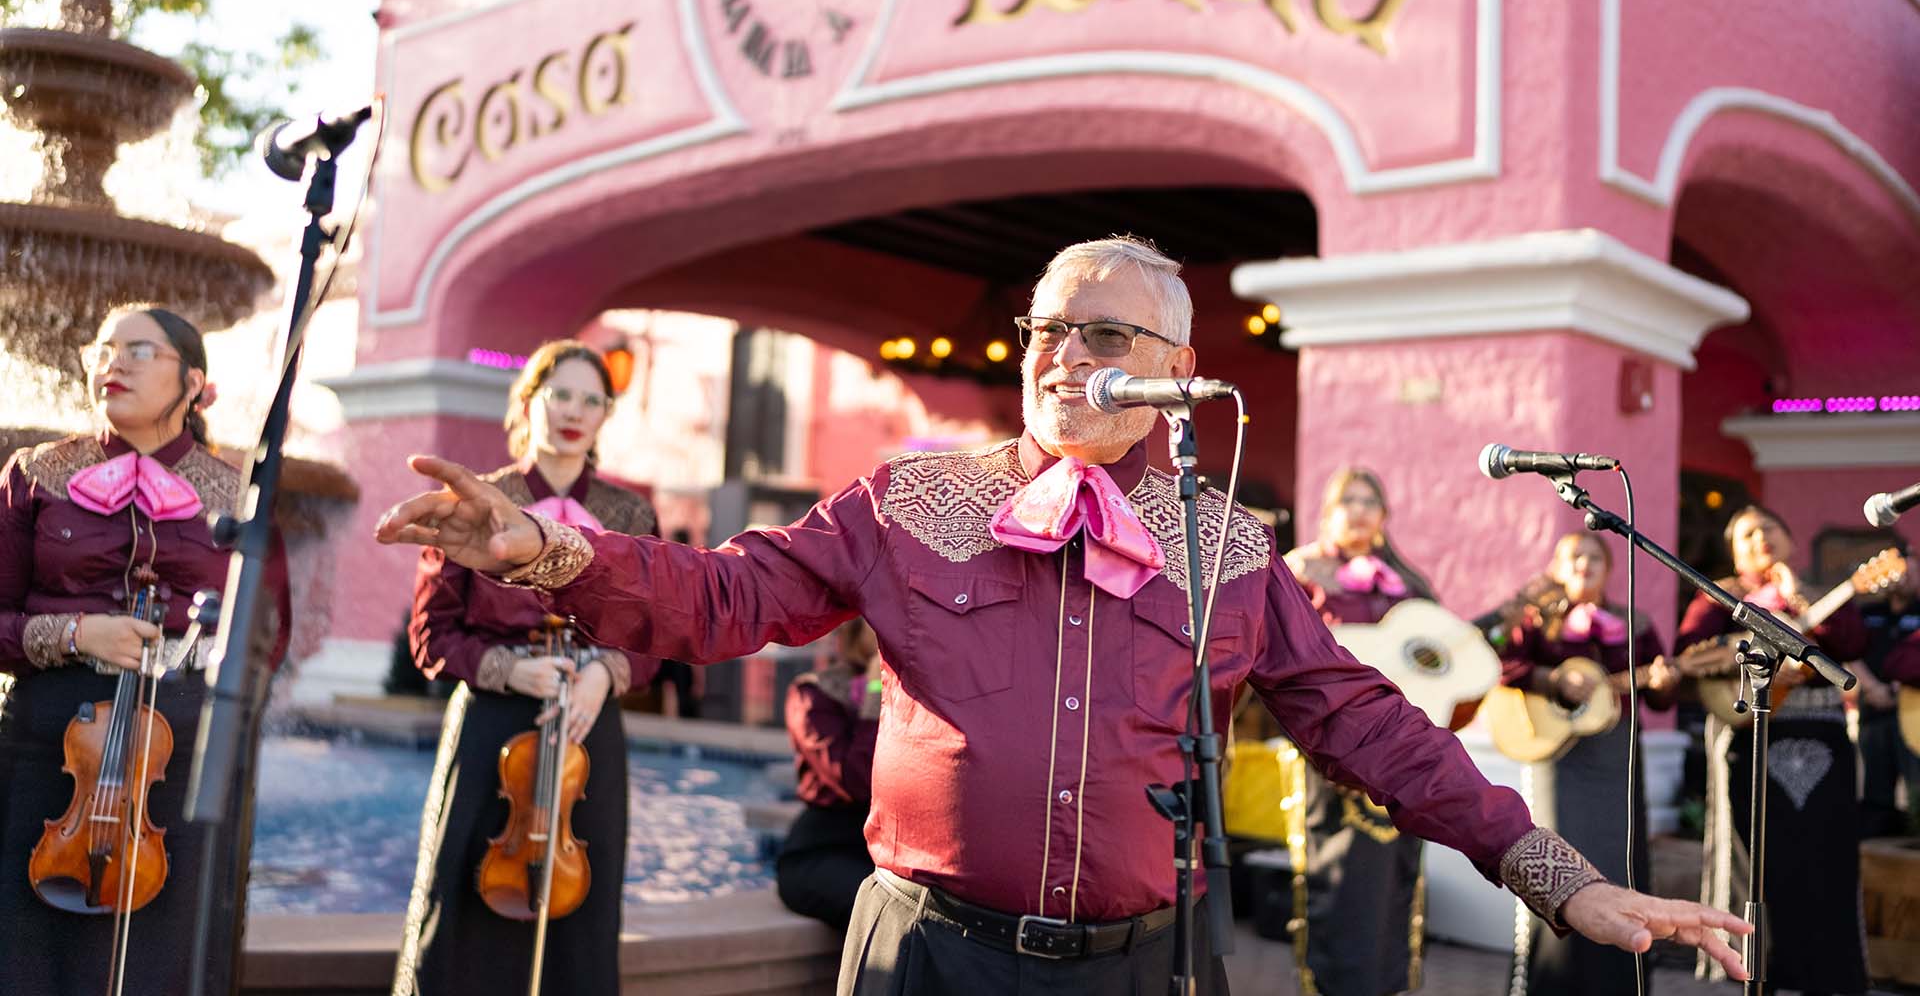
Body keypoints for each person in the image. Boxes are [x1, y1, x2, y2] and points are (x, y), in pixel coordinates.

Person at [376, 236, 1751, 995]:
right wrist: (551, 552)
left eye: (1103, 334)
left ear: (1178, 373)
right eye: (1048, 328)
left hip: (1132, 973)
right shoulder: (913, 497)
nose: (1062, 354)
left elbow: (1365, 723)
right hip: (924, 955)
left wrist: (1561, 877)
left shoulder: (1224, 541)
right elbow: (728, 596)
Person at [0, 304, 289, 996]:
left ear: (194, 383)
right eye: (103, 349)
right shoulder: (34, 474)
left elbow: (266, 640)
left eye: (138, 351)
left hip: (179, 763)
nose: (114, 363)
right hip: (50, 750)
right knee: (27, 953)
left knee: (162, 961)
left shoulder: (240, 495)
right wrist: (74, 633)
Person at [392, 340, 660, 996]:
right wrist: (509, 670)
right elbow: (430, 635)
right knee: (464, 896)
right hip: (494, 722)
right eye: (560, 394)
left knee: (584, 917)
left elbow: (659, 635)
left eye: (592, 400)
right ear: (528, 402)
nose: (574, 411)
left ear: (605, 416)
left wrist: (604, 673)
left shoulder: (632, 515)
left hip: (587, 728)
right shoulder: (477, 501)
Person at [1676, 504, 1868, 993]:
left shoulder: (1821, 593)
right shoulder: (1718, 598)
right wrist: (1755, 655)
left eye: (1769, 529)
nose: (1760, 538)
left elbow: (1850, 639)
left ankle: (1826, 975)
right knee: (1754, 859)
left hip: (1822, 743)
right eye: (1747, 535)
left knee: (1824, 856)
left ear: (1790, 540)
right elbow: (1690, 655)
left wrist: (1798, 597)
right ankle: (1752, 971)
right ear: (1734, 552)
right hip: (1748, 739)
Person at [1479, 530, 1680, 996]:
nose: (1584, 565)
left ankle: (1617, 983)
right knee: (1556, 864)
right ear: (1556, 566)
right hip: (1557, 758)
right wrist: (1553, 680)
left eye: (1594, 557)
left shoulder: (1635, 623)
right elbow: (1498, 662)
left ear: (1609, 569)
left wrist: (1665, 678)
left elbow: (1663, 695)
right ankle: (1552, 982)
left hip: (1616, 757)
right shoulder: (1534, 621)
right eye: (1573, 557)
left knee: (1619, 863)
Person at [1280, 467, 1437, 996]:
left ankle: (1389, 983)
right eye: (1350, 499)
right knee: (1338, 868)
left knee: (1395, 874)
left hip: (1398, 742)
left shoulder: (1408, 583)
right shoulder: (1299, 570)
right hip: (1327, 742)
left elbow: (1439, 659)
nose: (1362, 509)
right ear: (1328, 510)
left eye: (1372, 500)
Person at [777, 618, 881, 930]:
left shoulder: (912, 692)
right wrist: (876, 692)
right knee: (882, 912)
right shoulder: (813, 694)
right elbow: (854, 781)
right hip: (822, 852)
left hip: (884, 854)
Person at [1857, 569, 1920, 838]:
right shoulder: (1869, 612)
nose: (1903, 578)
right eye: (1898, 572)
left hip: (1913, 710)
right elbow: (1850, 651)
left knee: (1917, 787)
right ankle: (1877, 864)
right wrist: (1870, 686)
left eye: (1911, 571)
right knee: (1876, 792)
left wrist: (1902, 678)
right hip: (1873, 708)